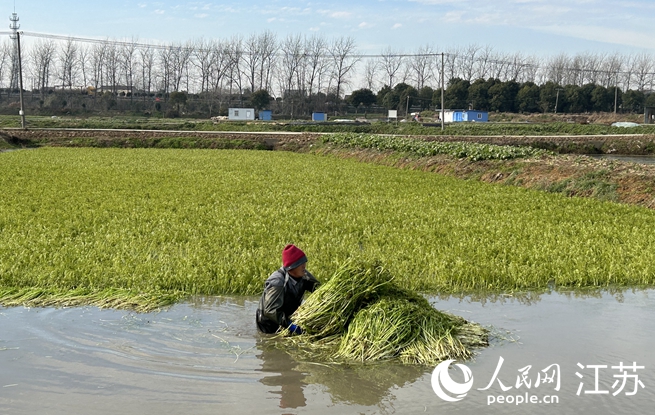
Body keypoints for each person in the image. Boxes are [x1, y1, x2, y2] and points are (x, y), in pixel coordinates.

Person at [256, 244, 320, 334]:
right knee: (271, 344)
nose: (304, 266)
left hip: (286, 317)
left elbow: (318, 289)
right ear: (291, 267)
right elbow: (270, 311)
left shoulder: (304, 275)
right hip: (268, 323)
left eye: (304, 262)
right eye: (300, 263)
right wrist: (291, 325)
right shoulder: (277, 282)